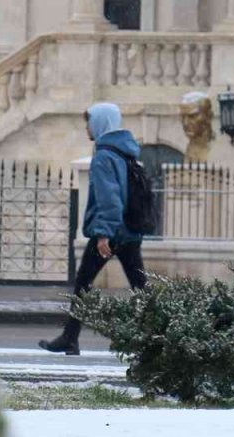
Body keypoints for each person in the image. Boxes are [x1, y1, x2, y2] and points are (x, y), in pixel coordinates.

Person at [39, 102, 147, 355]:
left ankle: (70, 337)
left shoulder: (103, 156)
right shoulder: (125, 152)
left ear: (100, 123)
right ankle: (158, 334)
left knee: (83, 284)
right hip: (129, 232)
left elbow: (110, 197)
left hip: (112, 234)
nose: (86, 127)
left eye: (89, 121)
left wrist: (104, 233)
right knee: (140, 286)